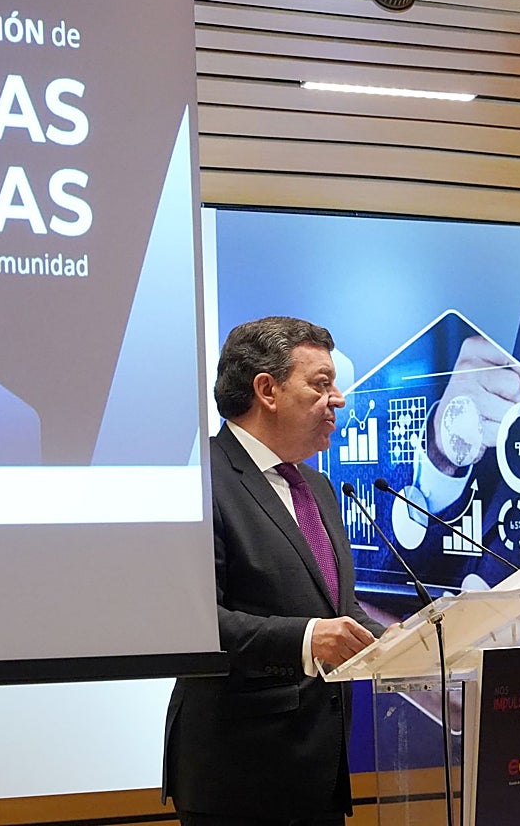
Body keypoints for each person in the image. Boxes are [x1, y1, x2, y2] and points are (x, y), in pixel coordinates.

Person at [163, 316, 387, 826]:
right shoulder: (197, 481)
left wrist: (404, 640)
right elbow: (194, 623)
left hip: (317, 772)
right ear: (267, 390)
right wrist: (307, 639)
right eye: (321, 384)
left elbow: (337, 609)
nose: (338, 400)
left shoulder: (318, 487)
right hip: (236, 778)